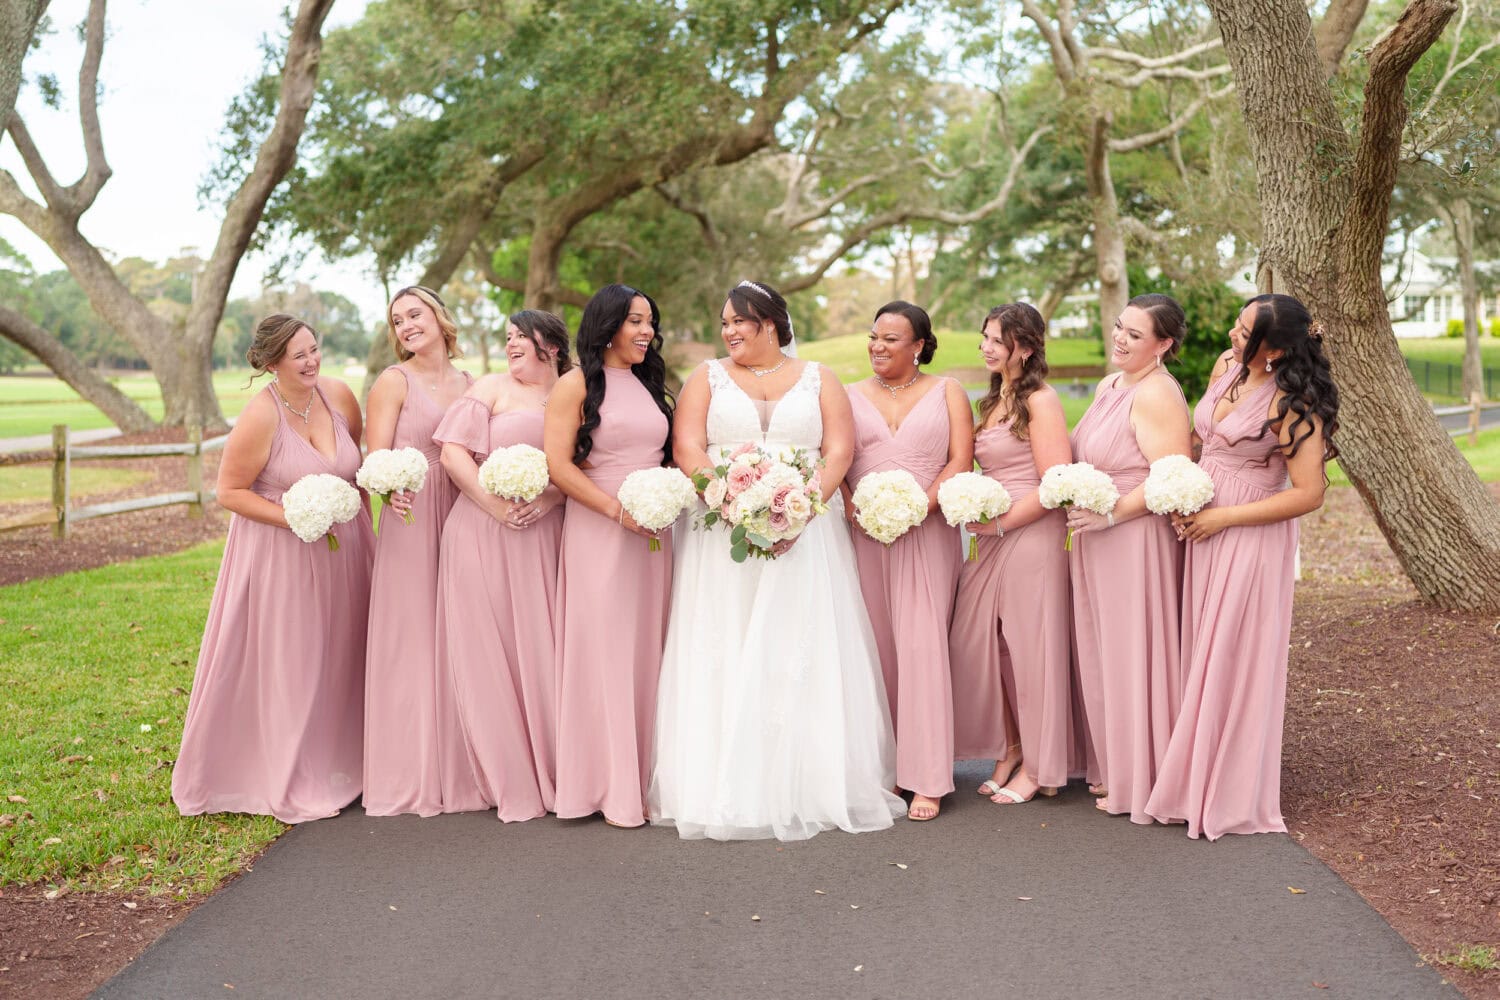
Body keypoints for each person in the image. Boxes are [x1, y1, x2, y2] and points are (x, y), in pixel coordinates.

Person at [649, 280, 905, 841]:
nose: (730, 332)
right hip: (722, 533)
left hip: (806, 533)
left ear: (769, 323)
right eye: (724, 324)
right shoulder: (707, 377)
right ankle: (723, 783)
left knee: (800, 641)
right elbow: (687, 446)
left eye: (739, 321)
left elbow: (839, 451)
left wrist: (800, 509)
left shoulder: (820, 378)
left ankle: (809, 782)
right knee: (726, 639)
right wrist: (732, 500)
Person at [1147, 294, 1339, 839]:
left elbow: (1309, 494)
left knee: (1231, 652)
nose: (1233, 336)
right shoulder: (1226, 368)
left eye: (1245, 332)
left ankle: (1225, 788)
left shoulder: (1293, 403)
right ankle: (1189, 772)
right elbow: (1198, 441)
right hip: (1203, 522)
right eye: (1236, 324)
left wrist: (1225, 517)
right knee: (1200, 648)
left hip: (1248, 533)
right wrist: (1179, 490)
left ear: (1275, 349)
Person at [172, 315, 372, 823]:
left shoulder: (339, 397)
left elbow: (358, 466)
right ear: (271, 362)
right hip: (282, 554)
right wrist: (295, 518)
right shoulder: (261, 416)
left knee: (345, 651)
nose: (312, 361)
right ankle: (283, 767)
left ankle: (348, 762)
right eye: (299, 354)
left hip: (347, 548)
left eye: (314, 349)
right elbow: (230, 492)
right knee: (296, 658)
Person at [546, 284, 675, 828]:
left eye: (650, 322)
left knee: (652, 647)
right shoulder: (575, 385)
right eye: (636, 322)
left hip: (657, 531)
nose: (647, 332)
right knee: (606, 650)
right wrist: (616, 511)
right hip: (602, 528)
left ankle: (649, 777)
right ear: (608, 325)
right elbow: (560, 465)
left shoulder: (649, 383)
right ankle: (607, 785)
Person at [434, 311, 570, 821]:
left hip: (546, 535)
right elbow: (452, 454)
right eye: (507, 337)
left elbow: (585, 464)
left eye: (521, 337)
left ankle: (558, 765)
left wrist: (554, 498)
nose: (511, 344)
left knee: (541, 643)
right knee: (487, 646)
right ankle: (502, 773)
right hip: (480, 530)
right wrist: (492, 505)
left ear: (551, 346)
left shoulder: (574, 393)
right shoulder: (490, 387)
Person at [1067, 293, 1192, 824]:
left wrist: (1113, 514)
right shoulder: (1110, 385)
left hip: (1134, 539)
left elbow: (1173, 477)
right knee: (1102, 652)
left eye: (1135, 335)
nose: (1119, 338)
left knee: (1130, 653)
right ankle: (1118, 767)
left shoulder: (1159, 393)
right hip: (1095, 535)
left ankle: (1145, 775)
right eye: (1119, 327)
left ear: (1163, 345)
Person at [845, 300, 971, 821]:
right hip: (865, 532)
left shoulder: (948, 392)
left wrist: (921, 505)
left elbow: (961, 458)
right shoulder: (848, 395)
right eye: (874, 336)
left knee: (922, 647)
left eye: (891, 339)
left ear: (918, 344)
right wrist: (860, 507)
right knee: (876, 649)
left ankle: (927, 776)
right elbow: (838, 457)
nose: (877, 346)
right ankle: (885, 767)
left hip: (929, 529)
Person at [949, 303, 1074, 805]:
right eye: (984, 337)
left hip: (1032, 532)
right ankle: (1011, 745)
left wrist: (999, 521)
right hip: (991, 534)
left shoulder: (1041, 401)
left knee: (1029, 648)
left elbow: (1054, 483)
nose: (984, 346)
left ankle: (1040, 766)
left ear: (1022, 346)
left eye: (994, 340)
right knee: (980, 642)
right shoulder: (993, 400)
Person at [361, 286, 477, 816]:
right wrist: (390, 487)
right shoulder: (393, 381)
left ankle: (463, 761)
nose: (406, 325)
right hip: (413, 511)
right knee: (412, 633)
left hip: (466, 508)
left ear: (438, 317)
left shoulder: (473, 383)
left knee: (461, 629)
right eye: (397, 320)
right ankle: (408, 767)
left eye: (415, 314)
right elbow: (373, 460)